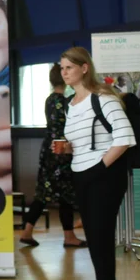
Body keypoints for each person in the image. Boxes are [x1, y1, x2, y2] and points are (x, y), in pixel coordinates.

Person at [60, 47, 135, 280]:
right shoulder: (71, 103)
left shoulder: (103, 98)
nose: (64, 72)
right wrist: (69, 148)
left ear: (84, 68)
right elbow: (82, 141)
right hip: (82, 173)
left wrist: (98, 168)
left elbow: (124, 138)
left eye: (69, 67)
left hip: (104, 175)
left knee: (101, 238)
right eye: (62, 67)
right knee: (95, 237)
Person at [19, 65, 85, 249]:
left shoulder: (49, 100)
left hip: (48, 151)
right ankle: (69, 236)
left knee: (43, 193)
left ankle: (27, 231)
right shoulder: (64, 102)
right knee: (66, 195)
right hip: (60, 152)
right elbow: (65, 129)